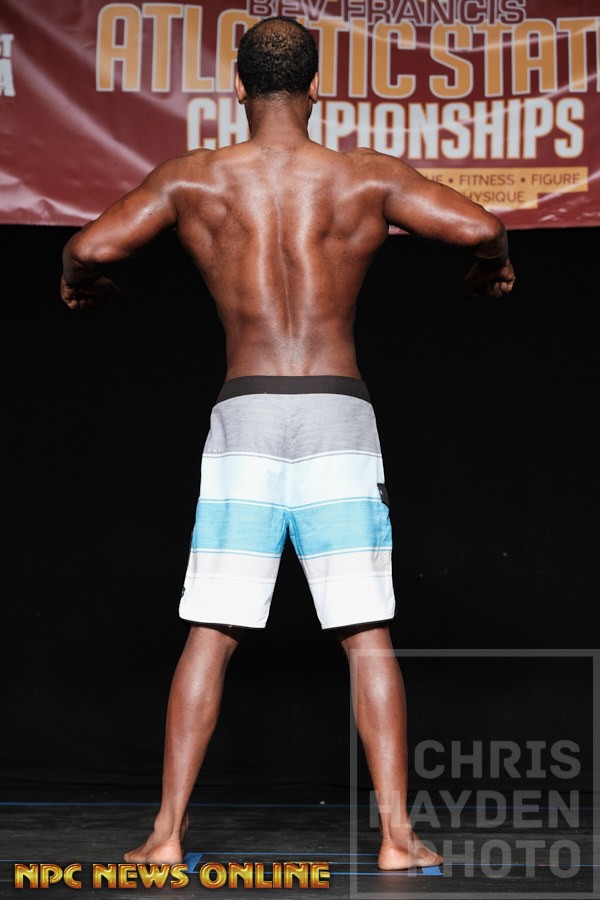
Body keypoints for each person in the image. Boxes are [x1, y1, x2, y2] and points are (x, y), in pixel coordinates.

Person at [60, 16, 515, 871]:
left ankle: (165, 837)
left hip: (247, 417)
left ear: (237, 87)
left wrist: (85, 283)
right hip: (338, 415)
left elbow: (89, 247)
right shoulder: (364, 177)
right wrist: (488, 267)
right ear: (317, 89)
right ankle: (396, 838)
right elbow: (480, 228)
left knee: (212, 628)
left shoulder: (194, 179)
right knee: (366, 632)